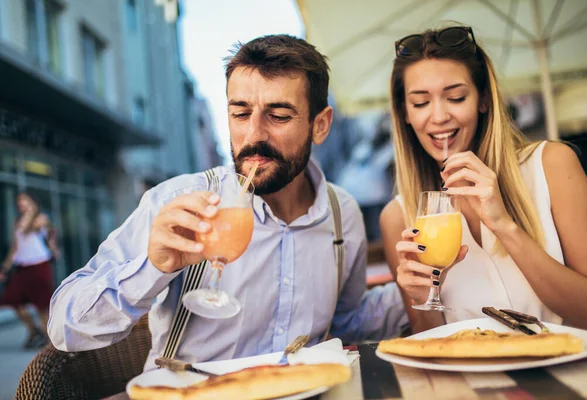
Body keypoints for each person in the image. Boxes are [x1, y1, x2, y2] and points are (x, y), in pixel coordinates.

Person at [49, 34, 408, 370]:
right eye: (240, 113)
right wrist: (152, 268)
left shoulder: (342, 212)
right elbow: (65, 328)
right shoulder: (181, 202)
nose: (253, 134)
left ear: (320, 125)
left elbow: (348, 320)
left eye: (279, 115)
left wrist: (429, 283)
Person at [379, 25, 587, 334]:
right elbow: (429, 341)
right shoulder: (399, 216)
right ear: (405, 112)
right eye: (420, 103)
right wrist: (423, 296)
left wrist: (505, 226)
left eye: (455, 97)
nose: (439, 116)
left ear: (483, 100)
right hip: (473, 381)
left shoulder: (552, 164)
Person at [1, 191, 59, 348]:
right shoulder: (17, 221)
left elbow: (29, 229)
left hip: (39, 265)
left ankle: (49, 339)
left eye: (24, 200)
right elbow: (15, 247)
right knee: (11, 300)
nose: (21, 204)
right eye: (19, 201)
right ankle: (34, 331)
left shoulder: (40, 218)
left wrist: (32, 211)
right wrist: (5, 267)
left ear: (32, 202)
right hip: (23, 267)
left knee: (41, 305)